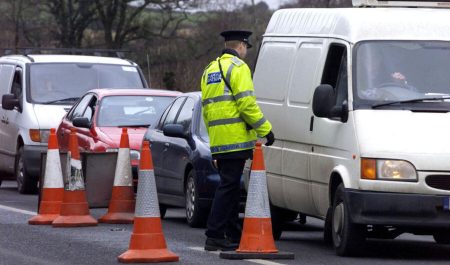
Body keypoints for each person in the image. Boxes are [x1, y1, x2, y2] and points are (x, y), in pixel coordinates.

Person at [200, 30, 275, 251]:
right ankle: (214, 234)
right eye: (246, 48)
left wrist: (214, 145)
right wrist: (266, 130)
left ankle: (232, 234)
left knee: (230, 187)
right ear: (241, 46)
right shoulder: (239, 68)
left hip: (219, 141)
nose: (245, 52)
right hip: (236, 140)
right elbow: (246, 105)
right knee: (229, 186)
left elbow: (206, 110)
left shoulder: (209, 70)